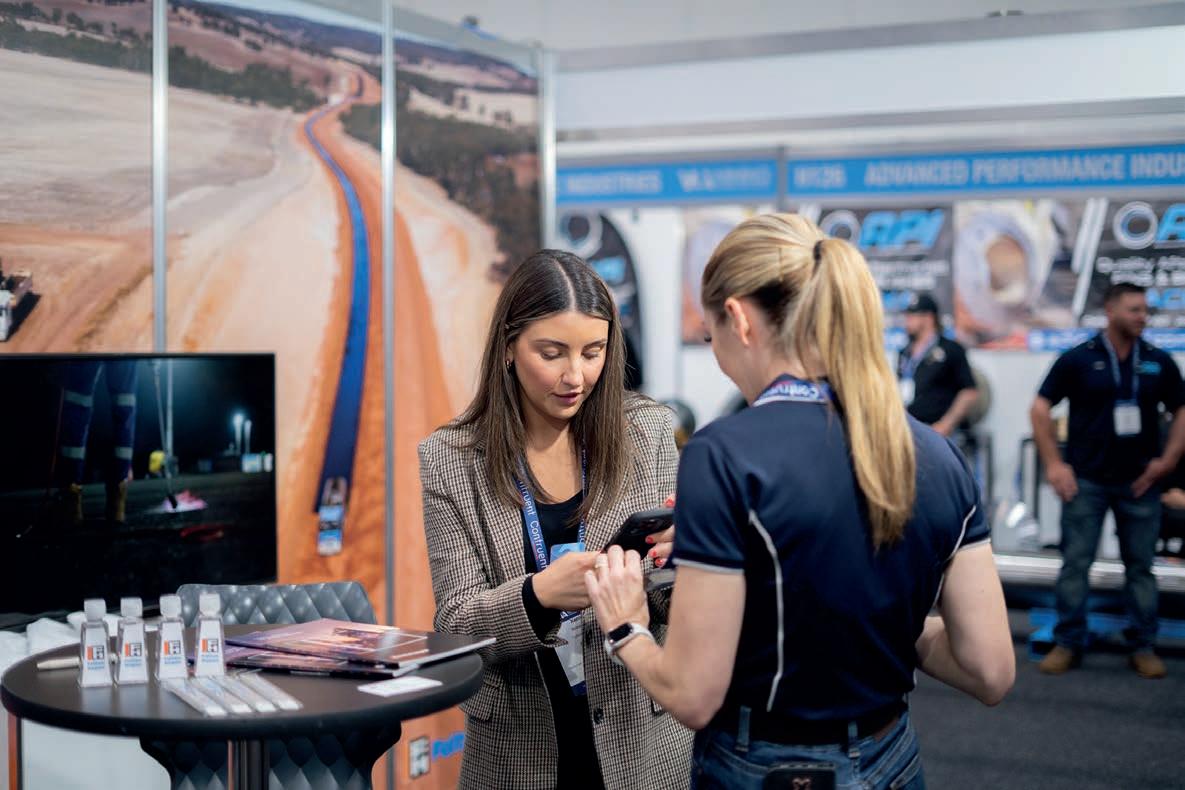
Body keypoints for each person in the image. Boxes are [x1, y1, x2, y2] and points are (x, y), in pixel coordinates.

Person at [583, 213, 1014, 790]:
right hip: (894, 761)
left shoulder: (723, 454)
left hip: (764, 769)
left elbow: (691, 694)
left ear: (738, 319)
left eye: (711, 338)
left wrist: (625, 626)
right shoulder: (937, 455)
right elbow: (990, 670)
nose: (719, 358)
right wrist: (860, 611)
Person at [418, 249, 692, 789]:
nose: (575, 376)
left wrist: (682, 558)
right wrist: (537, 595)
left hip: (641, 744)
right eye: (552, 353)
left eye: (593, 352)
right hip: (519, 753)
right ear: (508, 348)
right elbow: (455, 626)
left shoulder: (649, 433)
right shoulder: (451, 459)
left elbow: (673, 607)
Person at [1031, 283, 1185, 679]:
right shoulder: (1079, 359)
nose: (1142, 317)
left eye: (1145, 310)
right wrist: (1054, 465)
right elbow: (1040, 407)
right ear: (1111, 310)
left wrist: (1167, 461)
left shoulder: (1157, 361)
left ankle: (1143, 645)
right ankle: (1068, 641)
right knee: (1075, 565)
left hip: (1140, 484)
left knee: (1141, 568)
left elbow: (1182, 409)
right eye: (1134, 309)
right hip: (1086, 482)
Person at [56, 359, 139, 524]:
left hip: (85, 345)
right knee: (125, 403)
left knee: (77, 401)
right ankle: (117, 503)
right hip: (124, 345)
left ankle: (71, 500)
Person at [897, 292, 978, 438]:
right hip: (910, 430)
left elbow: (969, 392)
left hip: (940, 432)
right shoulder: (904, 353)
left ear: (928, 318)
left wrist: (946, 425)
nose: (907, 322)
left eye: (911, 316)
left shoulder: (951, 349)